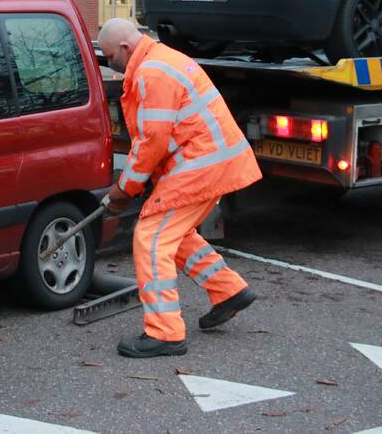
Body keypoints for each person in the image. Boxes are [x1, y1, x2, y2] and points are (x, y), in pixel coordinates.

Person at [98, 18, 262, 358]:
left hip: (199, 167)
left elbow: (151, 142)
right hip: (208, 163)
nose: (108, 63)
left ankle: (165, 333)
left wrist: (123, 190)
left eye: (110, 56)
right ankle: (228, 290)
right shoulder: (162, 60)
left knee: (149, 238)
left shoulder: (151, 73)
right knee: (177, 234)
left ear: (126, 49)